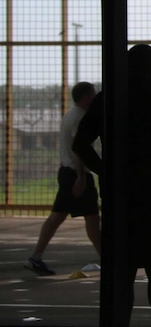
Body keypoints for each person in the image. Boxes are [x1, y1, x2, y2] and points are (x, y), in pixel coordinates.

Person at [73, 44, 151, 327]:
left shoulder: (107, 100)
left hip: (119, 195)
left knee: (122, 274)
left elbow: (81, 144)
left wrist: (107, 171)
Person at [25, 82, 101, 275]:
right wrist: (81, 178)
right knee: (90, 218)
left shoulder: (71, 113)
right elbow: (78, 148)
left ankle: (36, 257)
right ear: (85, 98)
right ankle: (107, 258)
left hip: (68, 172)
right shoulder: (80, 117)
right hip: (76, 172)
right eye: (93, 95)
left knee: (61, 216)